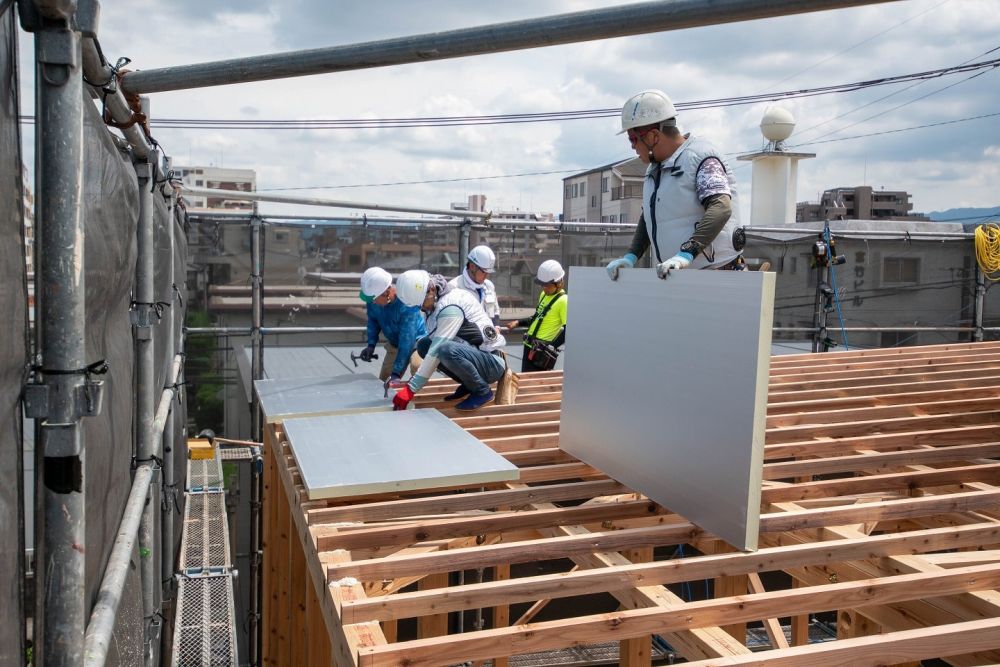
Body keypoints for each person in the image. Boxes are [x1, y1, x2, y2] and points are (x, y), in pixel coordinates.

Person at [605, 89, 746, 281]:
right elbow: (648, 216)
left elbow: (721, 208)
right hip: (677, 277)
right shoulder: (655, 170)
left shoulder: (701, 158)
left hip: (719, 275)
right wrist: (631, 256)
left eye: (633, 139)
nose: (632, 146)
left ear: (653, 136)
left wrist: (686, 253)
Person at [390, 270, 506, 412]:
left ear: (431, 290)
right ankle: (469, 384)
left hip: (492, 363)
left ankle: (482, 391)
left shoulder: (450, 307)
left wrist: (410, 389)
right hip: (477, 356)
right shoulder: (433, 305)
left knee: (445, 350)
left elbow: (436, 352)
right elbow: (432, 346)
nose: (422, 308)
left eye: (422, 303)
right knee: (423, 345)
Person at [358, 267, 427, 382]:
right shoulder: (373, 301)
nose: (371, 302)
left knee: (417, 366)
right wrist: (371, 345)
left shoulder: (406, 303)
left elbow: (407, 341)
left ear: (386, 292)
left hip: (417, 343)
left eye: (373, 299)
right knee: (384, 381)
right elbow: (373, 322)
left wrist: (396, 373)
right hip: (395, 344)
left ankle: (419, 395)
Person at [506, 259, 567, 373]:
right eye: (542, 285)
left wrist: (551, 347)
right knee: (525, 380)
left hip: (541, 352)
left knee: (536, 383)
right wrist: (518, 323)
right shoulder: (544, 295)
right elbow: (537, 318)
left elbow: (568, 329)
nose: (544, 288)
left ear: (559, 283)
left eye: (547, 285)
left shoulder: (563, 301)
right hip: (530, 346)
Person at [450, 244, 501, 324]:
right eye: (484, 272)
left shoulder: (489, 286)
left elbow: (495, 310)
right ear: (472, 266)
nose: (486, 276)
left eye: (488, 272)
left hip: (488, 334)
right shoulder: (454, 287)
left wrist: (496, 326)